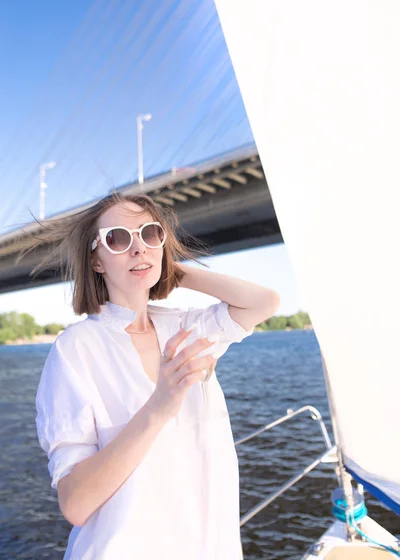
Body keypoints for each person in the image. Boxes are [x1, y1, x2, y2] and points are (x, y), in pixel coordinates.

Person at [32, 192, 280, 560]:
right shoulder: (77, 348)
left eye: (150, 234)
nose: (138, 248)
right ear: (96, 261)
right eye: (118, 238)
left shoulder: (185, 328)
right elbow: (76, 503)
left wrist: (171, 270)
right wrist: (159, 407)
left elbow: (264, 303)